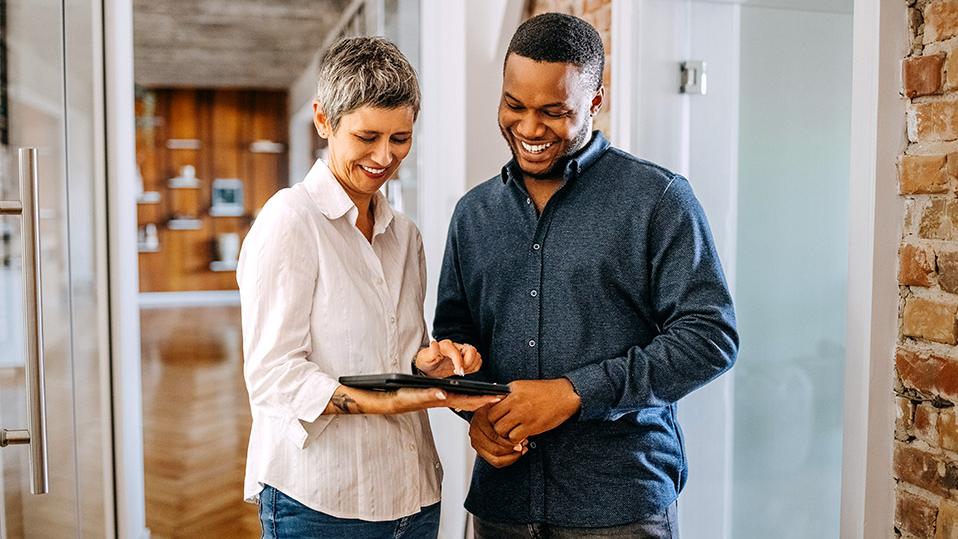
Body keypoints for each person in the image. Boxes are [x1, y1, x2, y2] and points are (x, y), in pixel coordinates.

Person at [433, 13, 739, 539]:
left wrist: (574, 393)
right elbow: (458, 341)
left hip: (620, 507)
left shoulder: (658, 200)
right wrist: (476, 416)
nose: (529, 128)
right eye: (514, 106)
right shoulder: (472, 213)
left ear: (595, 102)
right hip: (499, 506)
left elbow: (710, 339)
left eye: (554, 112)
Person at [238, 36, 500, 539]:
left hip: (414, 496)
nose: (384, 157)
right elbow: (273, 375)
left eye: (400, 138)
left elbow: (393, 346)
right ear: (323, 120)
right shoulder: (290, 222)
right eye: (367, 136)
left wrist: (426, 363)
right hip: (322, 503)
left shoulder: (405, 235)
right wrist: (387, 401)